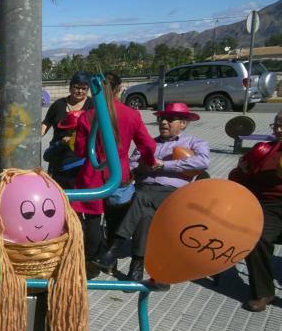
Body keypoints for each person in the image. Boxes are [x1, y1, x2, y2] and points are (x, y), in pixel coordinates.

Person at [92, 103, 209, 283]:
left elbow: (202, 162)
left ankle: (114, 249)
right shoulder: (148, 143)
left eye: (170, 119)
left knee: (141, 199)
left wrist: (164, 165)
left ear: (183, 123)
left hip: (170, 193)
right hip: (143, 189)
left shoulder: (194, 143)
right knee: (145, 215)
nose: (163, 122)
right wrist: (141, 167)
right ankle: (136, 269)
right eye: (161, 118)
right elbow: (131, 164)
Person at [72, 72, 156, 275]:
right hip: (119, 175)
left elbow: (81, 150)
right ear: (119, 89)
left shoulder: (87, 116)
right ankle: (110, 262)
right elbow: (148, 145)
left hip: (92, 175)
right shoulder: (131, 114)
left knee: (92, 220)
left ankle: (92, 261)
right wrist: (150, 162)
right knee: (115, 220)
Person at [230, 110, 282, 312]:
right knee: (256, 237)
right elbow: (238, 179)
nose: (279, 130)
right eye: (276, 125)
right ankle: (263, 292)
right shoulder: (263, 150)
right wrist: (242, 170)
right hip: (268, 204)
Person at [42, 72, 93, 188]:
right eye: (77, 87)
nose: (80, 91)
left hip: (82, 161)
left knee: (79, 194)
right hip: (58, 158)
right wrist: (33, 139)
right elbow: (46, 123)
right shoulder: (58, 105)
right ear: (70, 88)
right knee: (57, 192)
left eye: (84, 89)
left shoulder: (92, 105)